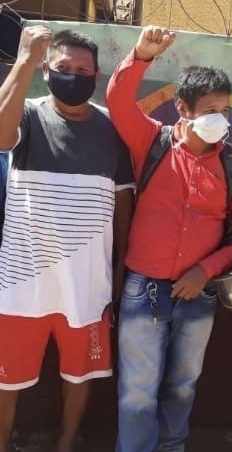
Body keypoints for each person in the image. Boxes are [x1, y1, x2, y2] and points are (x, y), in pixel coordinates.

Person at [106, 26, 232, 452]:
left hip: (198, 295)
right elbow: (117, 102)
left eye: (225, 110)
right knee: (137, 392)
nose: (220, 119)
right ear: (182, 109)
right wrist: (140, 56)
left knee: (182, 387)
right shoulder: (151, 141)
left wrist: (204, 271)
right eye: (210, 110)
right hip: (145, 290)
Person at [0, 26, 135, 452]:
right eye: (63, 67)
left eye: (83, 70)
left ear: (96, 75)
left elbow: (123, 204)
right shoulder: (27, 114)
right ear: (46, 70)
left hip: (87, 287)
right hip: (21, 285)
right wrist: (24, 60)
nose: (73, 77)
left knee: (80, 376)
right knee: (6, 381)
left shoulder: (113, 128)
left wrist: (120, 269)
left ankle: (65, 443)